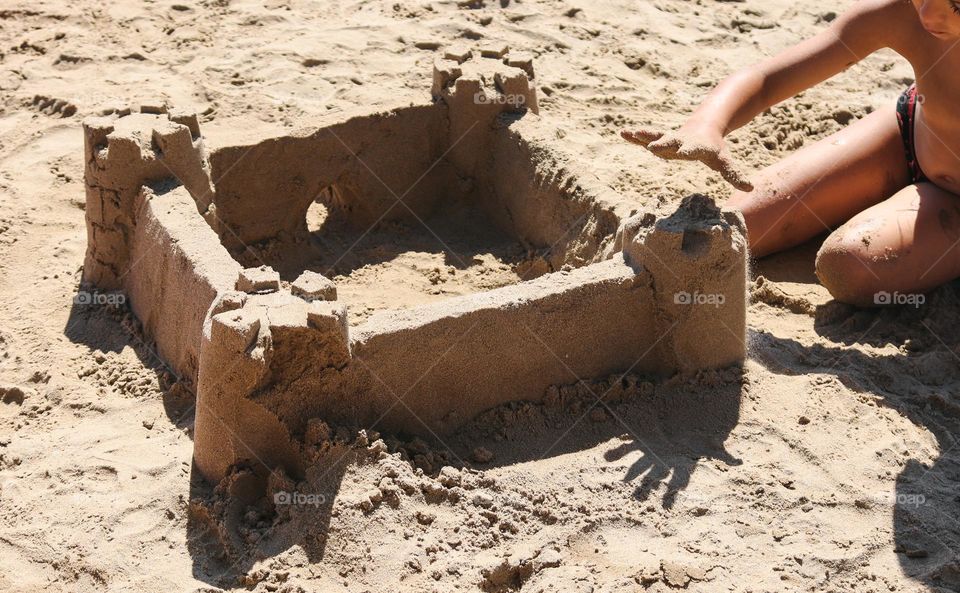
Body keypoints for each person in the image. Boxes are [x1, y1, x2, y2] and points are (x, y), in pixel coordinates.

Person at [622, 0, 960, 307]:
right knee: (723, 232)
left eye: (956, 5)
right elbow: (768, 79)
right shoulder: (903, 12)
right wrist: (707, 125)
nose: (928, 14)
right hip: (910, 132)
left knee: (850, 267)